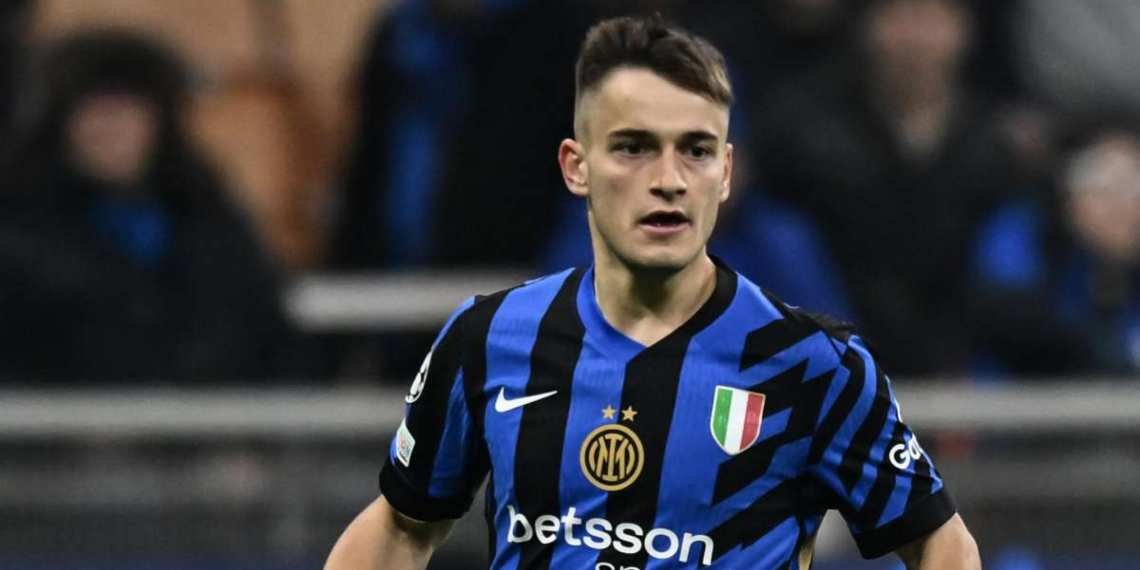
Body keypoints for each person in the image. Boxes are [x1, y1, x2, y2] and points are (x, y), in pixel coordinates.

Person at [326, 15, 979, 569]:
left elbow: (938, 541)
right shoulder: (490, 338)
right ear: (576, 167)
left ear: (726, 172)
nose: (668, 179)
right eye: (634, 148)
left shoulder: (814, 365)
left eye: (695, 151)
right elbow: (401, 525)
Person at [0, 31, 296, 383]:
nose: (110, 131)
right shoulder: (19, 233)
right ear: (62, 125)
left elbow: (267, 331)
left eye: (127, 113)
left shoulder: (210, 224)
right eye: (94, 113)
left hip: (206, 415)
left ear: (158, 125)